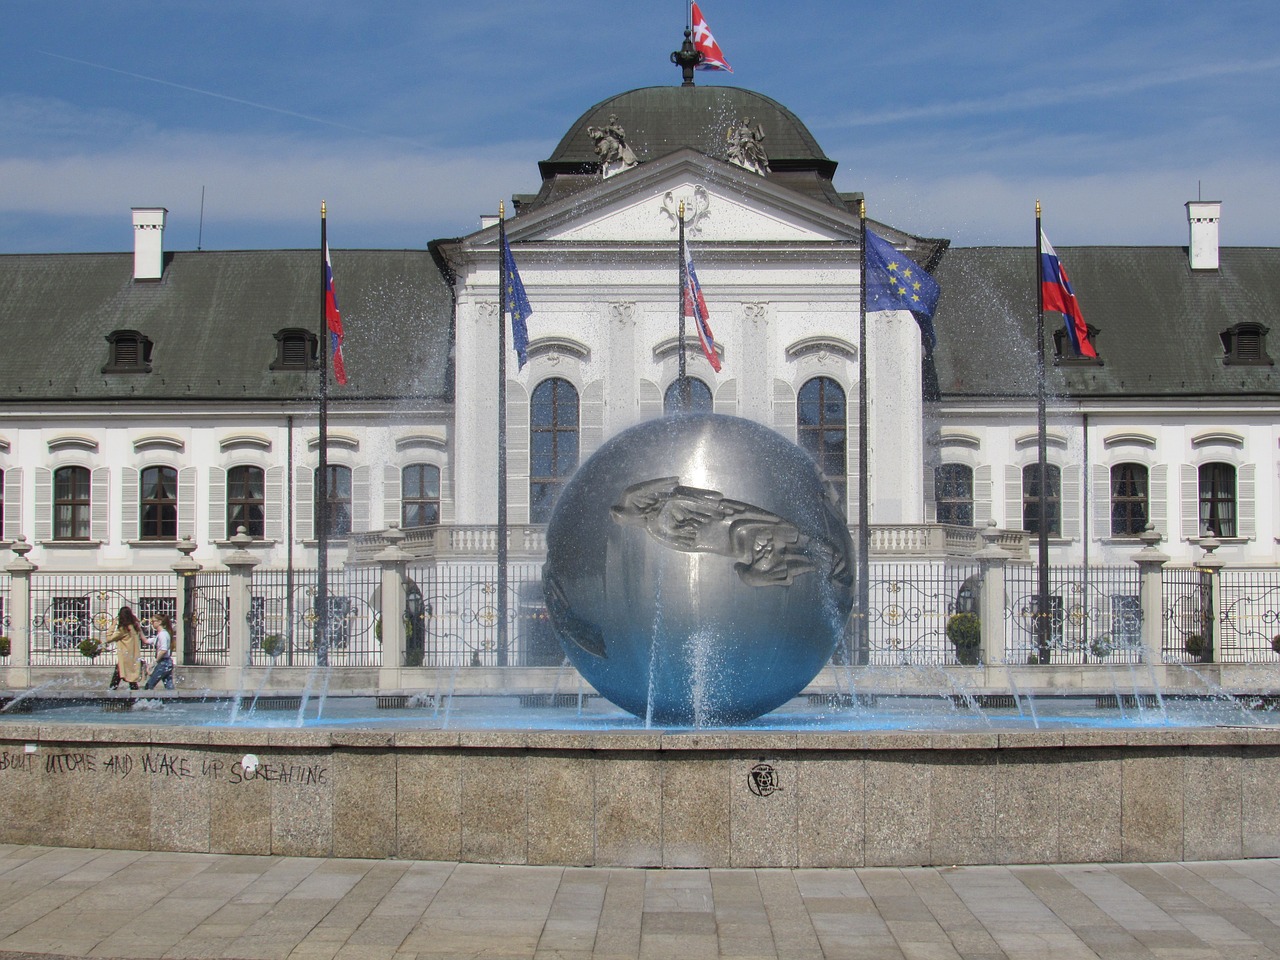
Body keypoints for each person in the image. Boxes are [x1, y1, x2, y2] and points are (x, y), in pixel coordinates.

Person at [104, 606, 143, 690]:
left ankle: (110, 696)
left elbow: (109, 639)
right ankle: (136, 698)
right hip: (133, 657)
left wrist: (113, 625)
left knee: (119, 677)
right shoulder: (134, 627)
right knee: (131, 680)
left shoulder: (123, 629)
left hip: (124, 658)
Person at [144, 613, 175, 690]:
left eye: (153, 621)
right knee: (169, 686)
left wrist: (153, 663)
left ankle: (145, 701)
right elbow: (146, 641)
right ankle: (173, 700)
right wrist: (138, 630)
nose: (151, 623)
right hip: (167, 663)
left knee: (149, 685)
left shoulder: (163, 635)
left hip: (163, 663)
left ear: (159, 622)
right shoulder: (161, 635)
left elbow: (163, 650)